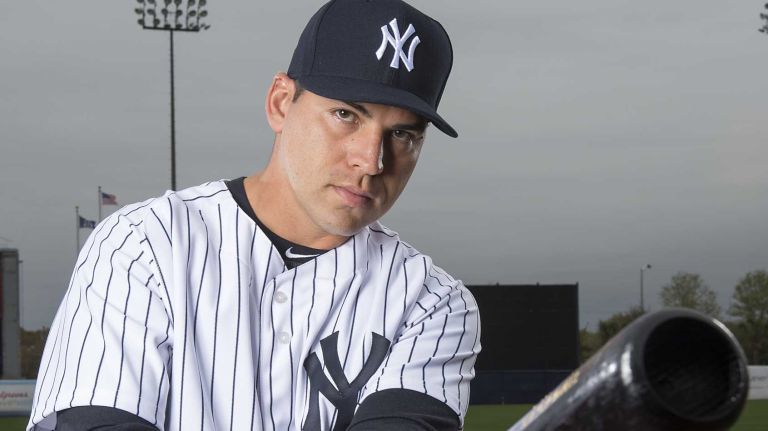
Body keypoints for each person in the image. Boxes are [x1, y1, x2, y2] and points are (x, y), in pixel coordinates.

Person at [27, 0, 480, 429]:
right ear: (281, 102)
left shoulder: (431, 303)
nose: (372, 160)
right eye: (346, 114)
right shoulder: (145, 244)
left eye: (402, 135)